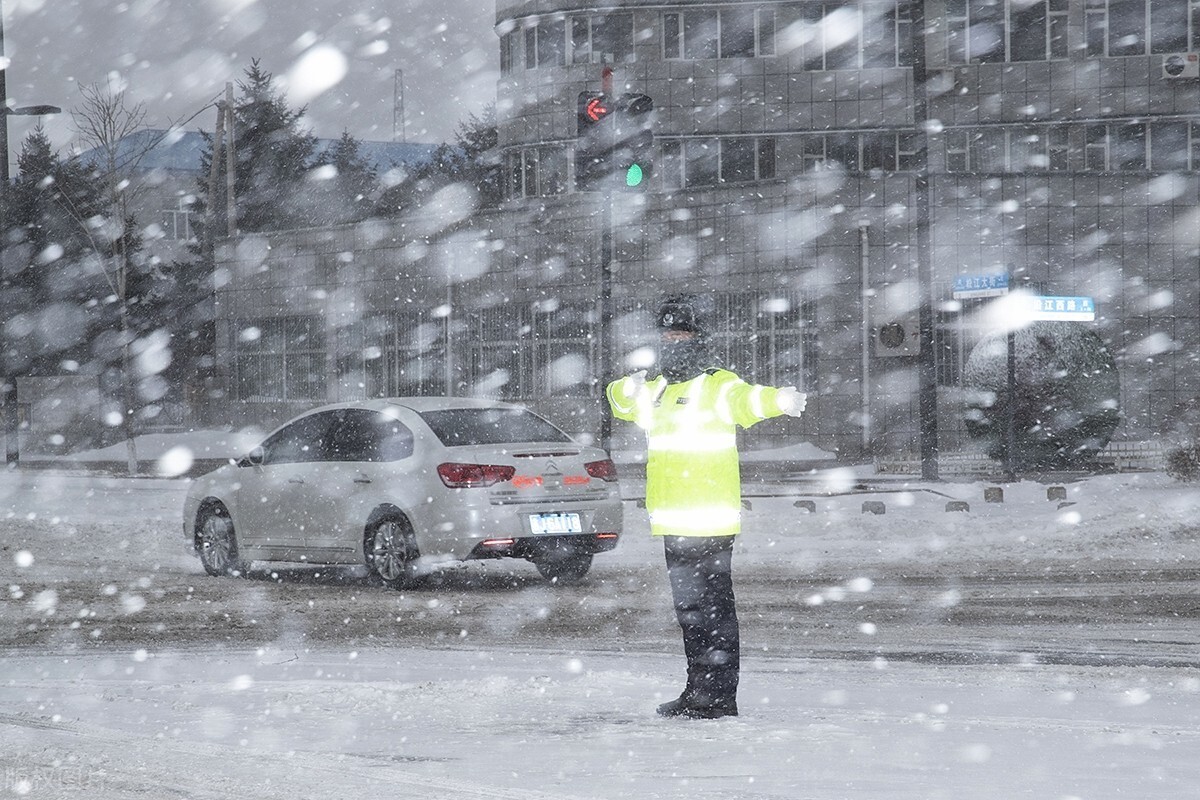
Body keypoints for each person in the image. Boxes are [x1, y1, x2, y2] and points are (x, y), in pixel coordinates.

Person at [606, 295, 807, 719]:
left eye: (682, 333)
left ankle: (719, 697)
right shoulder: (659, 390)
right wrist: (632, 383)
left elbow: (747, 399)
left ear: (698, 338)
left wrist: (780, 400)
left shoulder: (714, 383)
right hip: (673, 522)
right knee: (690, 614)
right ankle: (697, 690)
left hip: (710, 522)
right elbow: (619, 401)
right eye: (667, 334)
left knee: (715, 613)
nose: (674, 340)